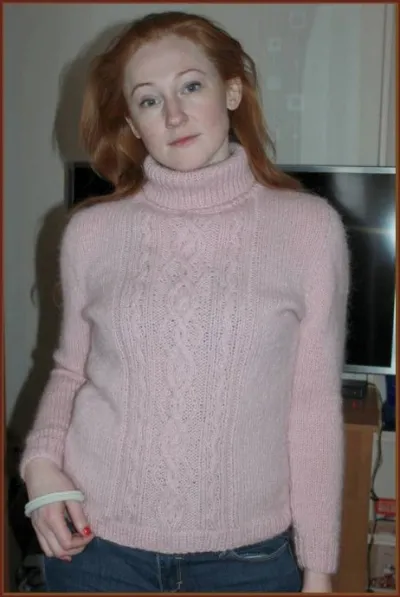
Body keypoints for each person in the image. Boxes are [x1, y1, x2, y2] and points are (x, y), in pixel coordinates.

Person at [19, 10, 350, 594]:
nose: (173, 115)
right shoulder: (92, 233)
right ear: (132, 122)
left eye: (191, 86)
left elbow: (314, 406)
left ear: (231, 91)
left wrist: (319, 571)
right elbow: (71, 371)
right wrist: (41, 467)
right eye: (149, 100)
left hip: (247, 561)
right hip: (97, 549)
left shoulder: (308, 229)